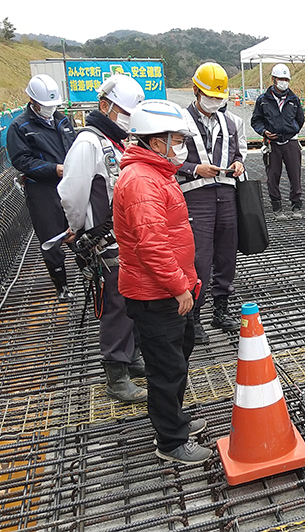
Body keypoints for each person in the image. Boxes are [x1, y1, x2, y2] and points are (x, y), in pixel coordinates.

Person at [115, 99, 210, 465]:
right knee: (166, 368)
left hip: (169, 289)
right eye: (177, 139)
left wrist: (188, 281)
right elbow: (151, 244)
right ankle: (170, 441)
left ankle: (176, 421)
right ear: (156, 143)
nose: (181, 146)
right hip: (156, 294)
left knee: (176, 361)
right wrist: (178, 286)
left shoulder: (156, 174)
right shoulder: (141, 181)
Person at [59, 75, 147, 404]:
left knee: (134, 301)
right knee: (115, 306)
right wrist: (77, 229)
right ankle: (116, 373)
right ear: (104, 105)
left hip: (129, 239)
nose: (126, 117)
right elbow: (72, 194)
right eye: (122, 111)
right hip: (105, 241)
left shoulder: (120, 141)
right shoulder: (89, 143)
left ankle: (131, 355)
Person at [177, 62, 244, 344]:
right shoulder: (180, 121)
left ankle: (221, 309)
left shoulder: (230, 122)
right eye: (210, 96)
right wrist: (194, 168)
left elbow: (239, 152)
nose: (214, 101)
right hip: (196, 196)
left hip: (226, 194)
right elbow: (170, 158)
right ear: (195, 90)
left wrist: (238, 163)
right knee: (199, 258)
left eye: (219, 98)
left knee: (227, 255)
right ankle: (195, 317)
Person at [7, 74, 77, 302]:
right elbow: (22, 161)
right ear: (32, 100)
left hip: (70, 184)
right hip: (42, 190)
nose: (50, 109)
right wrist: (52, 169)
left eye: (53, 105)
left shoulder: (64, 121)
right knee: (52, 238)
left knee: (79, 230)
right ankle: (61, 285)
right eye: (45, 105)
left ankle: (89, 270)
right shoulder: (20, 127)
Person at [251, 63, 305, 220]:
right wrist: (264, 132)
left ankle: (296, 206)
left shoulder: (294, 99)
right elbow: (256, 120)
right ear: (273, 79)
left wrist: (291, 130)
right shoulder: (263, 100)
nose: (283, 82)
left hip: (291, 142)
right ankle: (277, 207)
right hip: (272, 144)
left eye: (286, 79)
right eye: (280, 79)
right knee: (273, 175)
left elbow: (300, 120)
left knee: (295, 175)